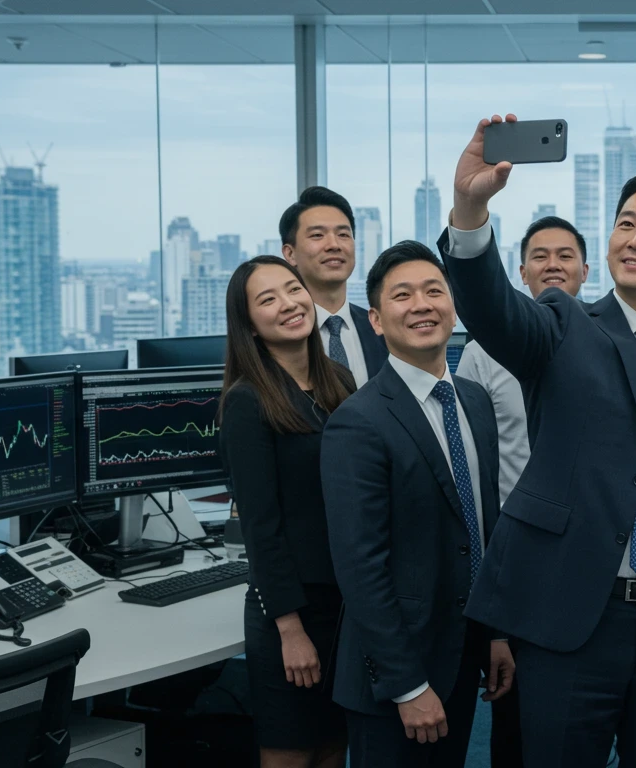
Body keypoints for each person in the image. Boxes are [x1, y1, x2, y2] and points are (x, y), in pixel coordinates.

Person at [440, 114, 636, 768]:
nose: (634, 238)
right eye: (626, 222)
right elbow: (491, 305)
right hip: (574, 621)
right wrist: (470, 209)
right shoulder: (561, 325)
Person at [320, 241, 513, 768]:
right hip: (395, 676)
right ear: (378, 322)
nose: (422, 304)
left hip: (464, 650)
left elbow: (484, 527)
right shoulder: (358, 422)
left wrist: (494, 633)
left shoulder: (474, 400)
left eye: (434, 291)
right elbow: (360, 567)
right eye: (402, 296)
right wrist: (406, 685)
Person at [455, 214, 590, 768]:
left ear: (586, 268)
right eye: (540, 255)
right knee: (515, 709)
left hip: (587, 549)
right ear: (521, 269)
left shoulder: (606, 339)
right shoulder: (485, 348)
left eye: (565, 255)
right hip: (517, 547)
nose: (553, 264)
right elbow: (473, 455)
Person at [219, 256, 355, 768]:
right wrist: (290, 630)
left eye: (292, 289)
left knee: (332, 751)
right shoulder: (248, 402)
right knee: (291, 756)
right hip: (292, 615)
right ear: (250, 326)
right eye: (267, 299)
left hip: (345, 606)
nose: (289, 304)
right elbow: (261, 526)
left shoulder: (339, 383)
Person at [280, 185, 389, 387]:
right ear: (290, 253)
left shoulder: (382, 329)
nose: (334, 245)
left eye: (343, 235)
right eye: (317, 235)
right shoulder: (279, 335)